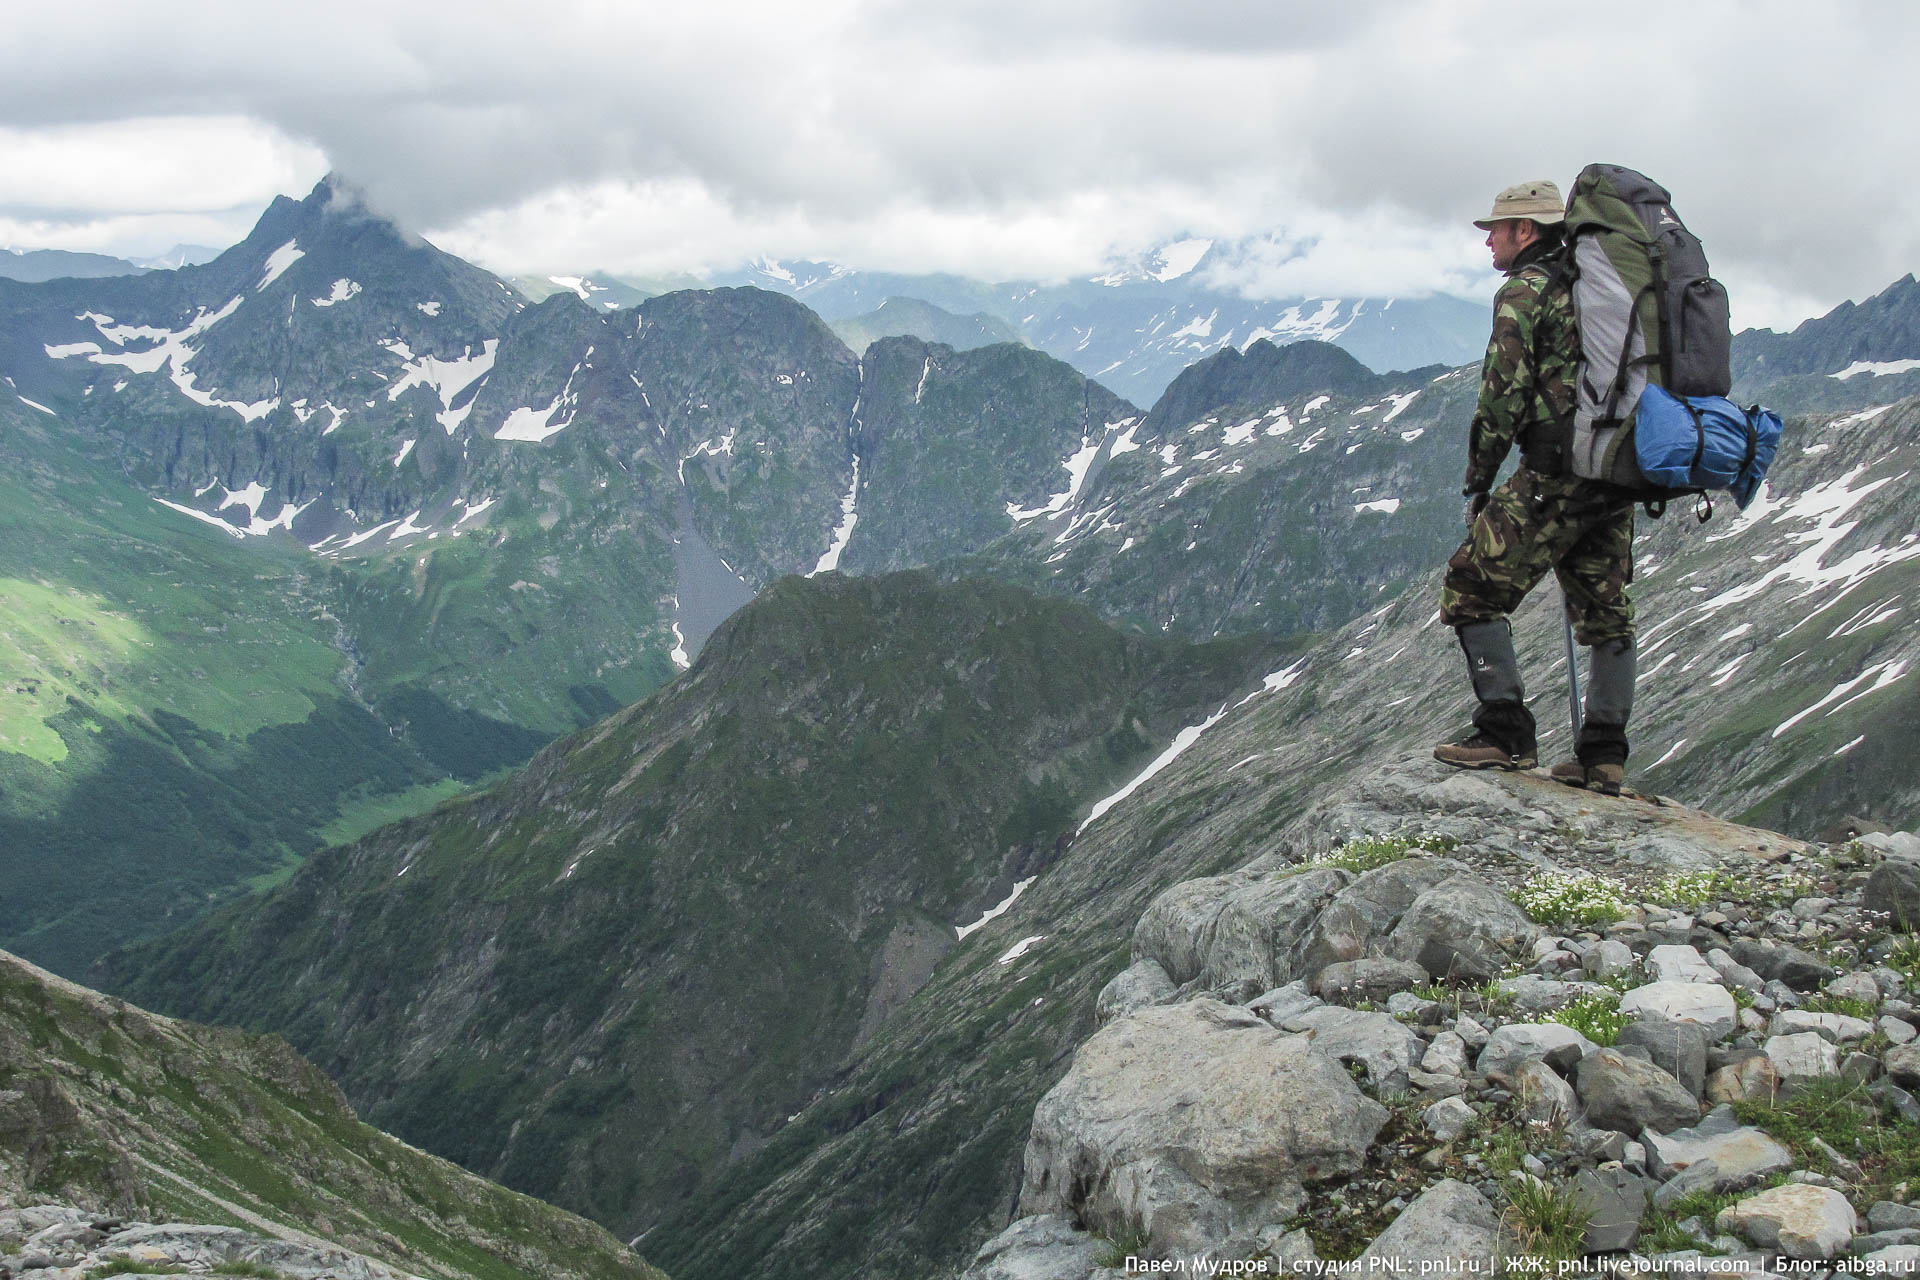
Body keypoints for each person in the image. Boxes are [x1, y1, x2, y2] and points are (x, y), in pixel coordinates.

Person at [1433, 179, 1638, 795]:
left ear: (1527, 230)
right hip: (1614, 470)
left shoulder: (1526, 291)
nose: (1489, 241)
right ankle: (1603, 756)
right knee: (1605, 609)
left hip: (1557, 473)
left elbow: (1502, 394)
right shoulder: (1599, 286)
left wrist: (1479, 479)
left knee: (1471, 586)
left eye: (1495, 230)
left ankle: (1505, 732)